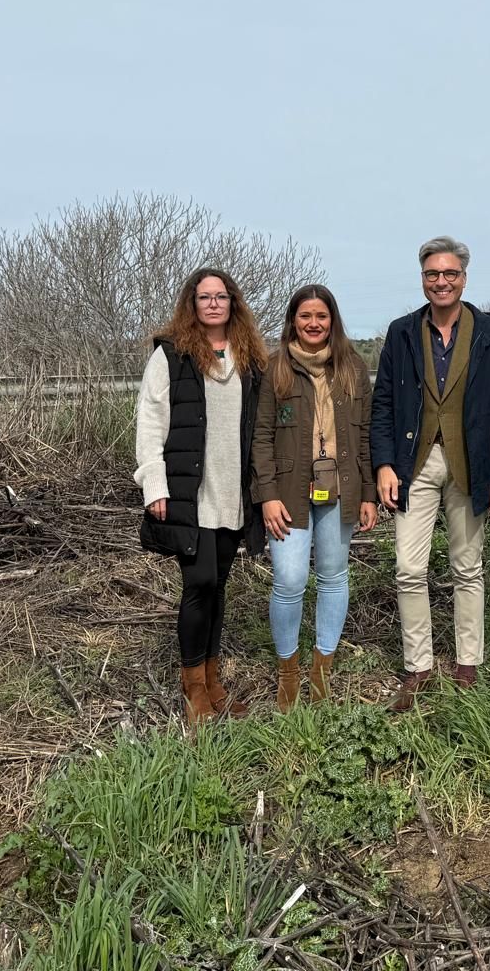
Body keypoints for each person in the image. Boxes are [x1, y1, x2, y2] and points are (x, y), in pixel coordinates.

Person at [370, 236, 490, 711]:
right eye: (433, 274)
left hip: (470, 464)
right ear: (422, 279)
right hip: (414, 464)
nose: (441, 281)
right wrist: (384, 464)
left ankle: (467, 664)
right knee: (409, 568)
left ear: (464, 278)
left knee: (467, 566)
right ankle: (419, 668)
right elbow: (384, 404)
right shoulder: (402, 333)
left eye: (450, 273)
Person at [135, 267, 268, 724]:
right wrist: (155, 485)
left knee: (219, 586)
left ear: (233, 303)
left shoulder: (249, 356)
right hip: (191, 489)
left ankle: (213, 682)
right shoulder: (171, 355)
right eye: (204, 297)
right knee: (200, 583)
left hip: (234, 490)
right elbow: (150, 422)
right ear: (192, 305)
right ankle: (193, 688)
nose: (213, 303)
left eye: (221, 296)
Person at [252, 285, 379, 711]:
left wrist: (368, 494)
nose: (313, 323)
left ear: (332, 320)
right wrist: (267, 495)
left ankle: (321, 668)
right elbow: (262, 437)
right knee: (289, 580)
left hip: (341, 487)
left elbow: (364, 436)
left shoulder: (353, 368)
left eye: (321, 316)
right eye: (305, 315)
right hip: (288, 492)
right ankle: (288, 670)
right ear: (293, 320)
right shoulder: (276, 369)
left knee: (333, 576)